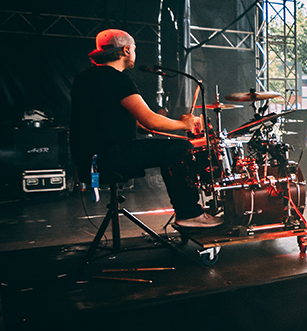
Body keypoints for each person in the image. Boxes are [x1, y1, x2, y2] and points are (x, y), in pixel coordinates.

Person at [70, 29, 221, 229]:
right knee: (180, 148)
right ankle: (189, 213)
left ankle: (188, 211)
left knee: (173, 147)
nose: (134, 52)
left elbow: (134, 123)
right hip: (111, 155)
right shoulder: (118, 79)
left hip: (89, 159)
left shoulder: (85, 78)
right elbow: (150, 121)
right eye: (133, 48)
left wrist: (166, 124)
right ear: (125, 50)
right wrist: (184, 124)